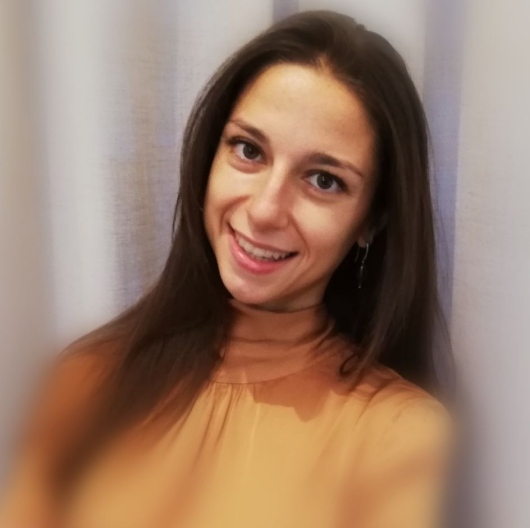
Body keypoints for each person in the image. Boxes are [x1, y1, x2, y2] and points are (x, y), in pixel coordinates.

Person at [0, 9, 456, 528]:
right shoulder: (86, 377)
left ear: (371, 222)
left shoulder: (399, 436)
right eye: (248, 150)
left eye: (323, 180)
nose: (264, 210)